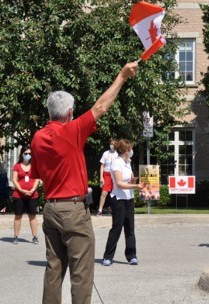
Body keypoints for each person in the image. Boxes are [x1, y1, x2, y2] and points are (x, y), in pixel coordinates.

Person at [30, 62, 138, 304]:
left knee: (53, 270)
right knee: (81, 273)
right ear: (69, 113)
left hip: (51, 209)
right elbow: (100, 106)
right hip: (73, 210)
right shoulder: (70, 132)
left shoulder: (37, 138)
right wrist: (121, 76)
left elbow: (39, 173)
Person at [102, 139, 142, 266]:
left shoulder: (127, 163)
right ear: (126, 150)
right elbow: (119, 184)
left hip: (129, 199)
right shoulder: (116, 164)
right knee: (117, 228)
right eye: (130, 149)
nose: (132, 151)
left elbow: (127, 180)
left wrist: (132, 180)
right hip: (118, 199)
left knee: (130, 228)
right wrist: (136, 186)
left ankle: (131, 256)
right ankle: (108, 257)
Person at [12, 145, 40, 245]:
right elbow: (14, 180)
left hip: (32, 195)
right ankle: (15, 236)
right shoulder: (17, 166)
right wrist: (21, 190)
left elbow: (37, 179)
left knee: (32, 216)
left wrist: (32, 190)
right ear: (22, 154)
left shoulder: (35, 166)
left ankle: (35, 236)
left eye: (29, 154)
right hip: (19, 195)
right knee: (18, 216)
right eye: (26, 153)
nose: (28, 155)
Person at [96, 138, 119, 216]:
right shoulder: (106, 153)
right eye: (111, 144)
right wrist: (101, 177)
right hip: (107, 174)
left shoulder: (118, 154)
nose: (111, 145)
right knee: (104, 192)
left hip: (115, 175)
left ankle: (112, 208)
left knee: (114, 193)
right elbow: (102, 165)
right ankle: (100, 210)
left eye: (113, 144)